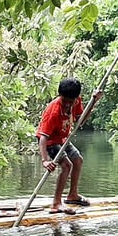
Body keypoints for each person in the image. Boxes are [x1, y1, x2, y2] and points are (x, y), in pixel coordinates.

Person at [36, 77, 102, 214]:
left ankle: (72, 196)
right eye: (64, 101)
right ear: (60, 96)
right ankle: (56, 203)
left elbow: (80, 121)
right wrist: (44, 160)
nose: (67, 105)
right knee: (66, 165)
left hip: (62, 138)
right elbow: (43, 137)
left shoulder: (76, 101)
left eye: (70, 102)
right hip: (50, 141)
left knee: (78, 160)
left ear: (76, 98)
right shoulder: (52, 111)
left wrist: (93, 102)